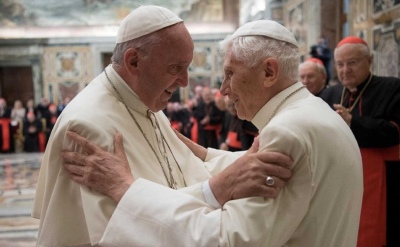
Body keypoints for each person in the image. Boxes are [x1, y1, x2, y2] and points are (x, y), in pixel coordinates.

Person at [62, 19, 363, 246]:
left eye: (231, 73)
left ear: (269, 72)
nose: (223, 89)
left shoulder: (287, 132)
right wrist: (203, 153)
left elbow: (225, 238)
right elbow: (264, 168)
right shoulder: (315, 112)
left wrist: (125, 189)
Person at [32, 6, 293, 247]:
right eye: (175, 68)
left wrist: (236, 165)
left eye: (187, 68)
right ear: (134, 61)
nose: (184, 81)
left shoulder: (146, 103)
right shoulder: (89, 125)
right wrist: (218, 190)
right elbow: (122, 234)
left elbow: (186, 175)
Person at [320, 36, 400, 247]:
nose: (345, 70)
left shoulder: (392, 88)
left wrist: (353, 122)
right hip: (338, 179)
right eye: (340, 64)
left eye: (352, 63)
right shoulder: (329, 94)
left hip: (382, 178)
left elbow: (395, 132)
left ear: (370, 61)